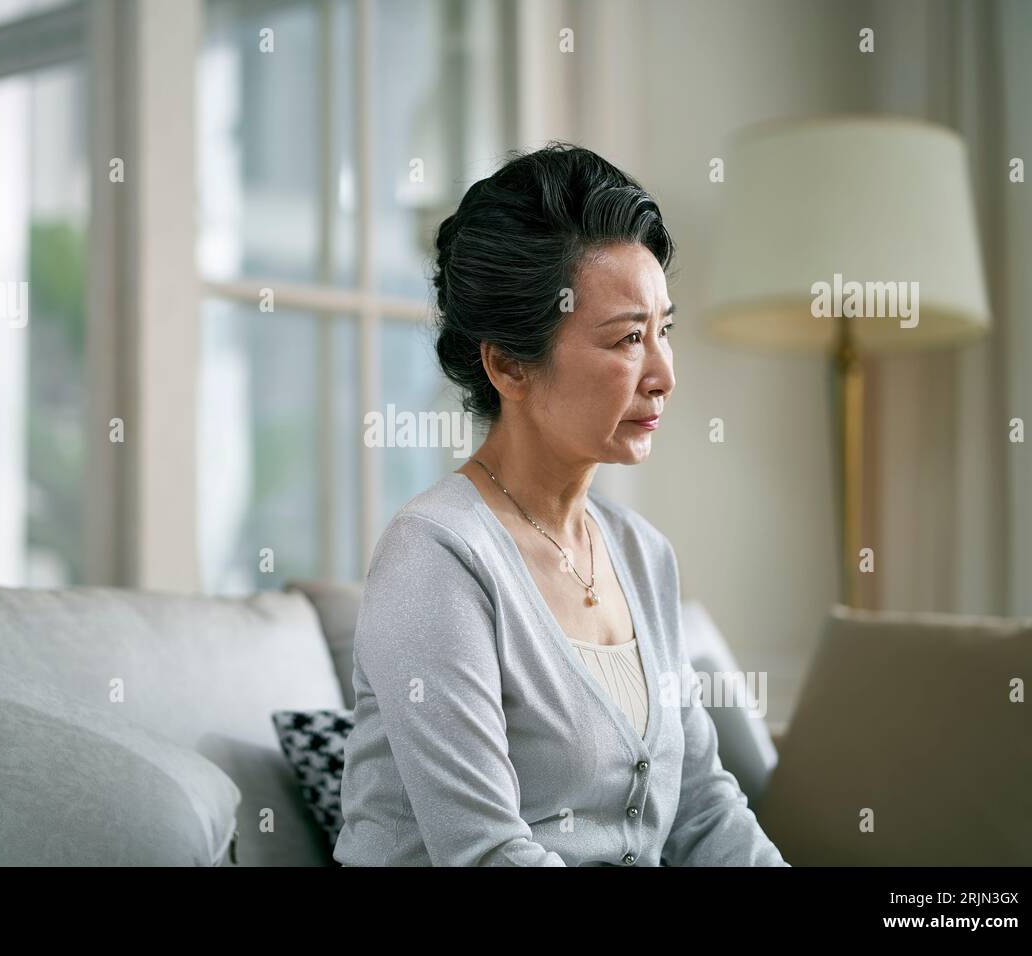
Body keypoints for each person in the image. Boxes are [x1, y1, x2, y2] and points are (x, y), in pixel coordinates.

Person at [333, 141, 788, 867]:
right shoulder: (434, 557)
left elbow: (703, 808)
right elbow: (486, 854)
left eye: (663, 331)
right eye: (628, 339)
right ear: (509, 363)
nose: (663, 374)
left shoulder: (642, 554)